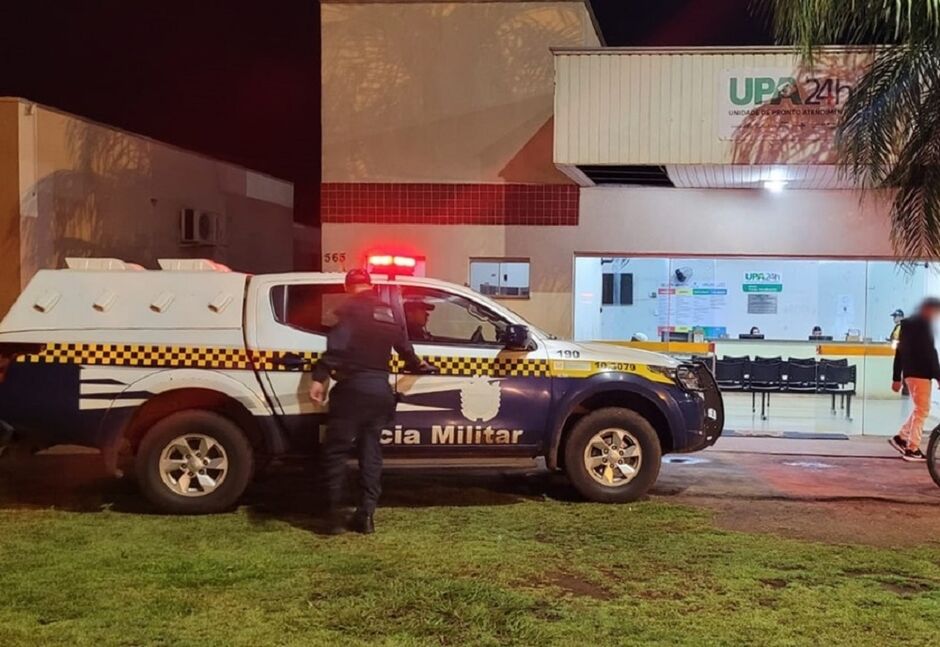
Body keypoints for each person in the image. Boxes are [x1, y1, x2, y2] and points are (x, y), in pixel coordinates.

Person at [309, 269, 436, 534]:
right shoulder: (388, 312)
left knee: (336, 452)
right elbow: (405, 348)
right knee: (371, 453)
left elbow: (337, 348)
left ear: (348, 287)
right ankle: (366, 516)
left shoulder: (349, 309)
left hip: (353, 389)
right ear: (369, 285)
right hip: (380, 391)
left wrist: (319, 377)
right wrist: (419, 365)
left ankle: (332, 519)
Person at [889, 298, 940, 462]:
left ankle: (902, 437)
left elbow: (899, 353)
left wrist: (897, 377)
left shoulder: (907, 326)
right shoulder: (924, 326)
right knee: (923, 410)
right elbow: (930, 353)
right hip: (922, 373)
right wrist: (938, 375)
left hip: (910, 374)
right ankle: (912, 448)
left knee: (920, 408)